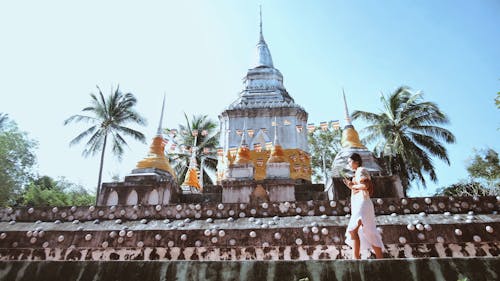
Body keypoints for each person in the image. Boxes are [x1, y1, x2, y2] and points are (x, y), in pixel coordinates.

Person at [342, 153, 384, 259]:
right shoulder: (356, 173)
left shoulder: (361, 170)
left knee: (361, 230)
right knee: (361, 231)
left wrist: (352, 185)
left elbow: (365, 185)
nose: (349, 164)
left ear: (356, 162)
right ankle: (358, 258)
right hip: (358, 204)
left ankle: (359, 258)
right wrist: (351, 186)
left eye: (350, 161)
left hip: (363, 203)